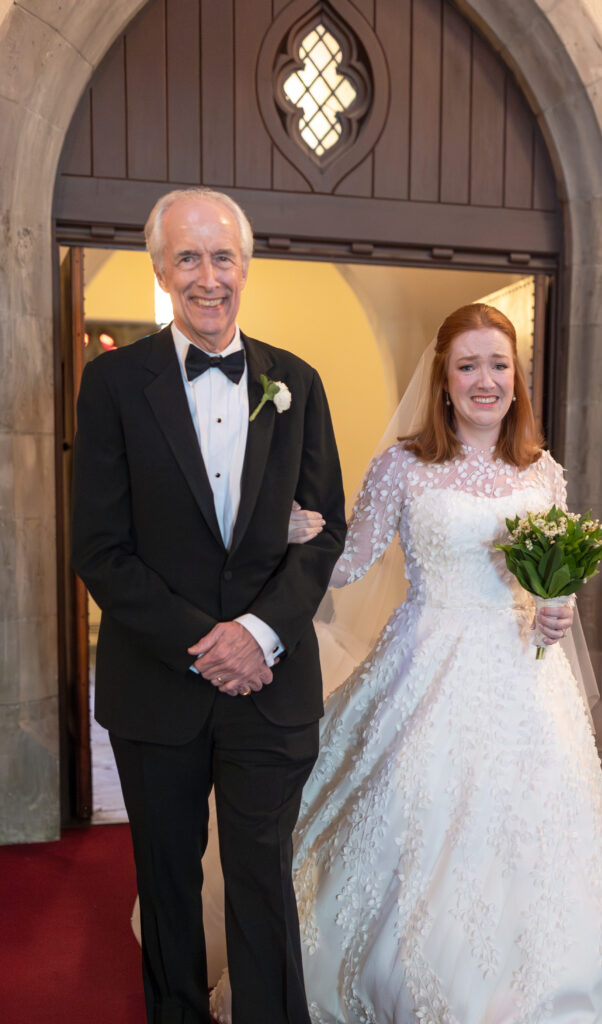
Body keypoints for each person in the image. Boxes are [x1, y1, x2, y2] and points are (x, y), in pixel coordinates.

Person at [209, 303, 602, 1023]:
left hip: (524, 672)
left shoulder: (541, 471)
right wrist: (299, 531)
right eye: (468, 366)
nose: (484, 380)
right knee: (420, 814)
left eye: (498, 365)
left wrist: (558, 607)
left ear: (516, 379)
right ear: (444, 380)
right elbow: (350, 562)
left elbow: (552, 582)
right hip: (425, 666)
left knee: (533, 826)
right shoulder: (404, 463)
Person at [71, 187, 346, 1024]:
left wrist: (258, 635)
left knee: (264, 881)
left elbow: (325, 532)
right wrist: (206, 643)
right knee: (168, 882)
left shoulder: (296, 382)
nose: (207, 276)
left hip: (271, 685)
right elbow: (101, 551)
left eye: (222, 256)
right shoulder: (113, 384)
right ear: (161, 269)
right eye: (187, 257)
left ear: (246, 266)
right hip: (157, 689)